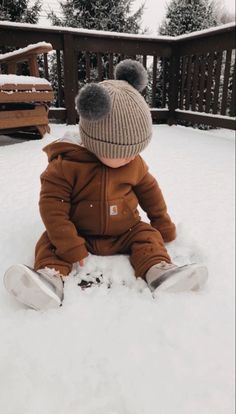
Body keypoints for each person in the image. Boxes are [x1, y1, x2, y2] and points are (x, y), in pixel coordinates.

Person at [4, 59, 208, 310]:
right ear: (96, 141)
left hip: (126, 231)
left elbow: (149, 191)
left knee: (148, 236)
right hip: (81, 233)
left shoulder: (133, 162)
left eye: (137, 150)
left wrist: (162, 223)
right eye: (124, 151)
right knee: (50, 241)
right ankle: (48, 279)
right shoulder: (66, 164)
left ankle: (159, 271)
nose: (132, 157)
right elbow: (52, 207)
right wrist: (70, 244)